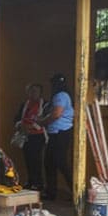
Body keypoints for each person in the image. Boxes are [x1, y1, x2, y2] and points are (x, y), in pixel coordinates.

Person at [40, 73, 74, 201]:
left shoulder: (60, 96)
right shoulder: (62, 95)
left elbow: (56, 114)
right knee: (50, 163)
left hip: (60, 133)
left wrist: (42, 122)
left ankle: (75, 191)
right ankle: (51, 192)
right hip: (56, 133)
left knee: (60, 163)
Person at [13, 83, 46, 191]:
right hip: (25, 135)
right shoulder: (25, 105)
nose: (33, 94)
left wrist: (32, 126)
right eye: (31, 91)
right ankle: (30, 181)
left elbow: (46, 120)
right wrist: (20, 125)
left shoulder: (44, 105)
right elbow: (17, 118)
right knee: (27, 159)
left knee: (36, 159)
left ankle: (38, 183)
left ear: (40, 93)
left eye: (36, 91)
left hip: (38, 135)